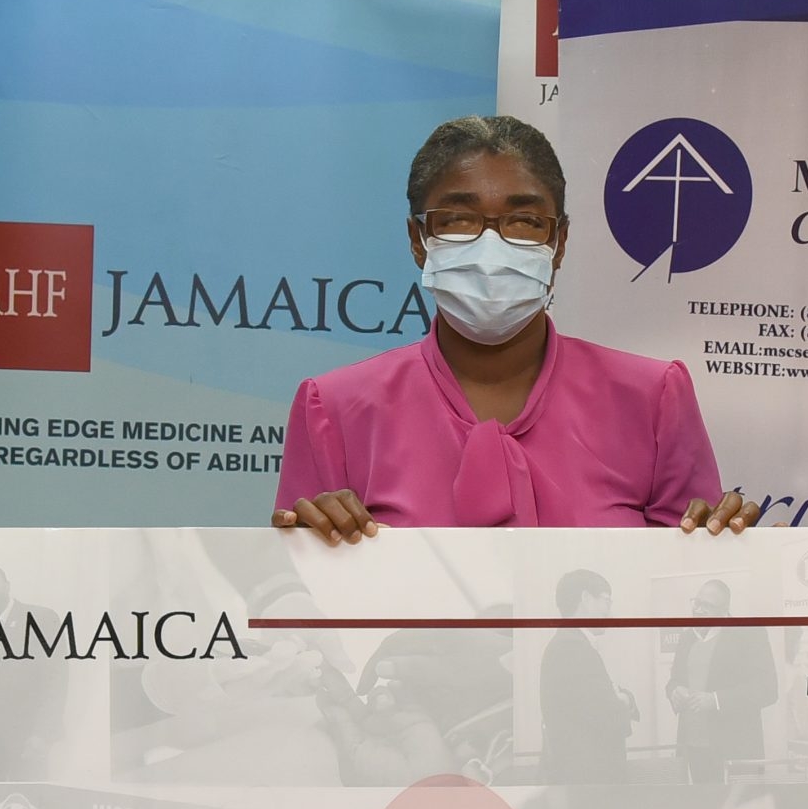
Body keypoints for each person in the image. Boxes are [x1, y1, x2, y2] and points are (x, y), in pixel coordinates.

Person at [272, 114, 758, 538]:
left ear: (559, 241)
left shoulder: (652, 399)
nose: (490, 246)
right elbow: (300, 611)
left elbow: (691, 599)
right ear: (419, 240)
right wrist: (310, 548)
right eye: (458, 220)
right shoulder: (335, 409)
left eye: (524, 220)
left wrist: (733, 550)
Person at [0, 564, 66, 780]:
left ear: (6, 586)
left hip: (25, 730)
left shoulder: (40, 618)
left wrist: (42, 734)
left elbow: (56, 681)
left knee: (27, 795)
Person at [666, 579, 778, 783]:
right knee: (705, 808)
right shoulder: (686, 638)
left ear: (724, 609)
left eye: (706, 606)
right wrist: (674, 690)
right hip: (693, 746)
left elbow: (767, 689)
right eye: (696, 603)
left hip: (735, 749)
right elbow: (674, 679)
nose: (698, 610)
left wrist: (716, 700)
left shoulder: (749, 634)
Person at [539, 569, 636, 782]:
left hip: (585, 775)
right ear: (585, 598)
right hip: (588, 777)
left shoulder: (571, 644)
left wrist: (620, 700)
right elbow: (602, 712)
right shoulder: (572, 648)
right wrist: (625, 701)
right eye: (606, 601)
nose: (609, 612)